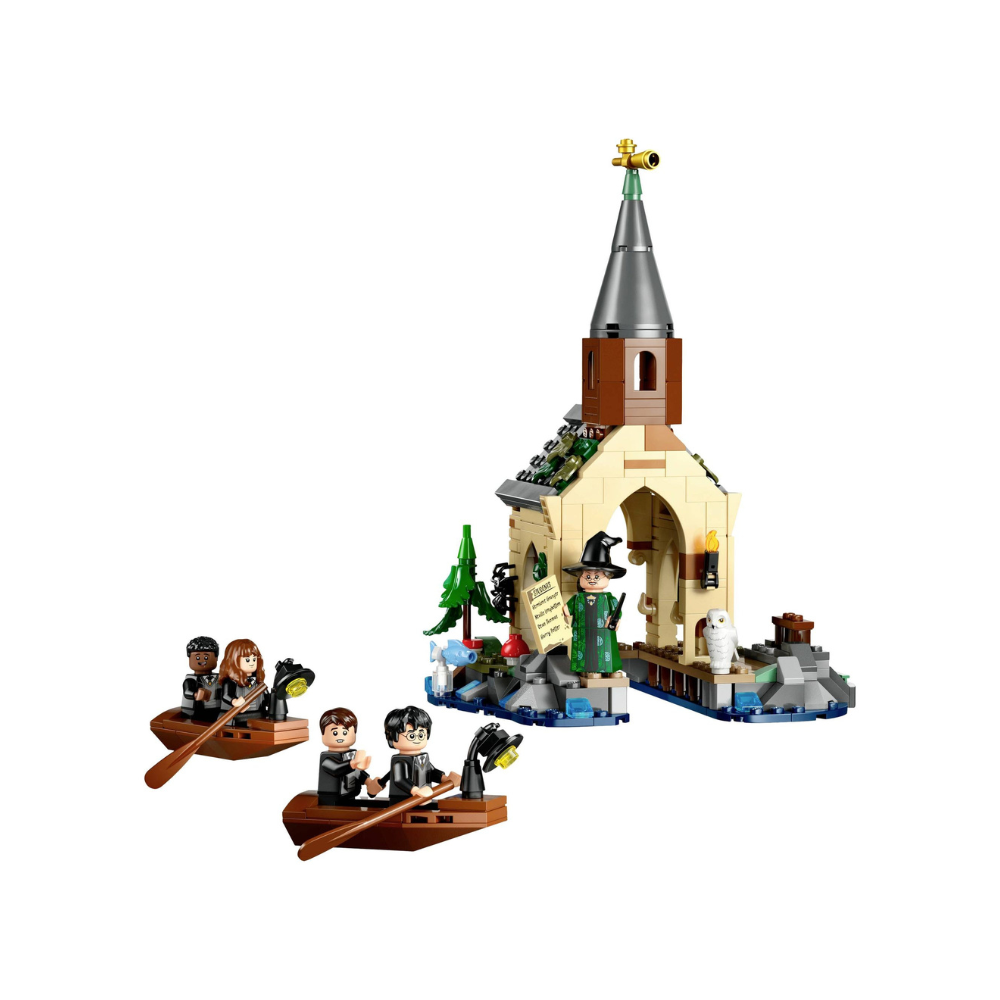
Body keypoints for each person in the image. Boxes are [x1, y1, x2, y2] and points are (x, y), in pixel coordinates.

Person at [562, 531, 627, 677]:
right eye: (587, 575)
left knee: (606, 651)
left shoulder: (608, 598)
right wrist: (563, 611)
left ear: (608, 577)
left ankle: (609, 670)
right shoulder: (577, 598)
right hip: (582, 631)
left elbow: (617, 611)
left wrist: (615, 619)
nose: (592, 579)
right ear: (580, 577)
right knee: (584, 651)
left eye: (597, 576)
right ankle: (587, 670)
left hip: (603, 630)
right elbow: (567, 609)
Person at [365, 706, 461, 802]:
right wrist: (416, 791)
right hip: (403, 801)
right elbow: (400, 780)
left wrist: (445, 779)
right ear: (392, 737)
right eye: (411, 736)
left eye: (421, 735)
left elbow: (430, 772)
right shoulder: (400, 761)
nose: (417, 739)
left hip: (422, 799)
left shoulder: (422, 758)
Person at [316, 707, 372, 806]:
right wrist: (353, 763)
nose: (340, 737)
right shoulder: (327, 758)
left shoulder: (351, 754)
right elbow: (336, 769)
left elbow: (357, 773)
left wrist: (369, 782)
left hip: (350, 795)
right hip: (331, 800)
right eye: (335, 733)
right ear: (323, 735)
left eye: (345, 732)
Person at [218, 638, 267, 726]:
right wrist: (234, 701)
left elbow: (266, 696)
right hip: (234, 716)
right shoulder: (231, 681)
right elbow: (226, 695)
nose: (252, 663)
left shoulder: (258, 682)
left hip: (259, 714)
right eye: (247, 660)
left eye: (254, 659)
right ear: (234, 661)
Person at [181, 636, 220, 719]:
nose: (202, 661)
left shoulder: (220, 678)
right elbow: (187, 691)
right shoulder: (191, 679)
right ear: (189, 658)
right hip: (196, 712)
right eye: (197, 657)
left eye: (206, 657)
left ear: (216, 658)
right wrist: (195, 694)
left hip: (217, 710)